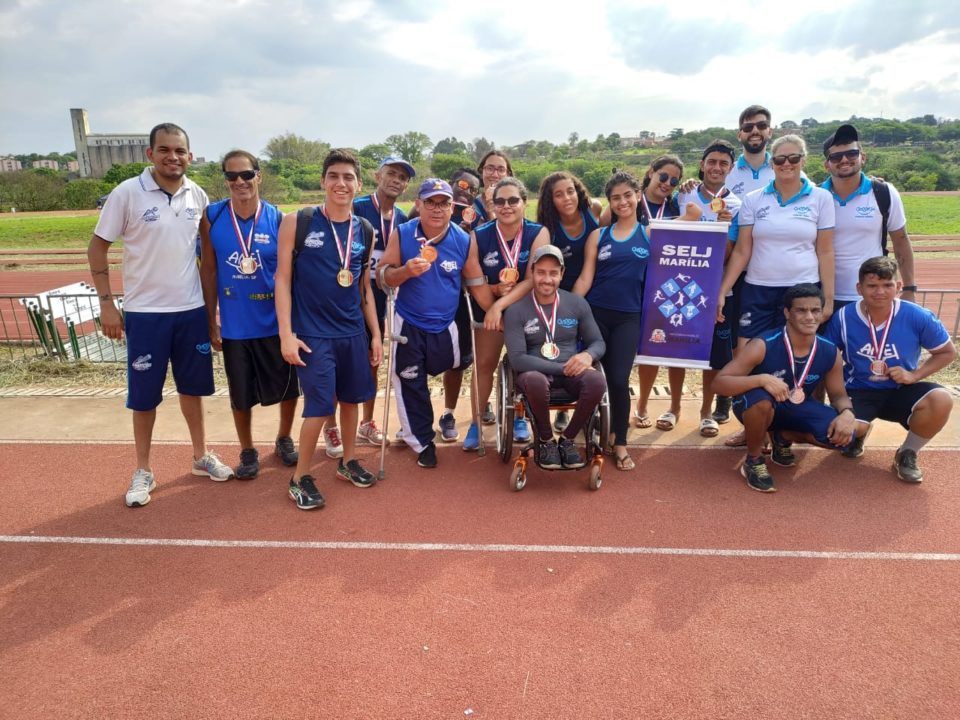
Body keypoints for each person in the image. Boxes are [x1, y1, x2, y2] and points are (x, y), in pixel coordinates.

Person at [87, 122, 233, 507]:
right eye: (165, 150)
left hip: (190, 312)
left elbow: (206, 260)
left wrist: (210, 313)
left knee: (193, 390)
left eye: (180, 151)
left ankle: (201, 455)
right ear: (150, 154)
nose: (173, 157)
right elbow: (97, 248)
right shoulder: (127, 193)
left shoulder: (197, 194)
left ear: (190, 154)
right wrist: (106, 304)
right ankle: (143, 469)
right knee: (144, 397)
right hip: (145, 314)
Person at [275, 149, 382, 510]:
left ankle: (348, 461)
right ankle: (299, 476)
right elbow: (282, 280)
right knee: (319, 408)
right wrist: (286, 335)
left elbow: (364, 288)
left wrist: (376, 335)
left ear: (359, 184)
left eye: (348, 177)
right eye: (334, 176)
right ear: (323, 181)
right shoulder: (298, 221)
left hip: (352, 333)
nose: (341, 183)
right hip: (314, 335)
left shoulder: (364, 230)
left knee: (352, 400)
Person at [377, 178, 495, 468]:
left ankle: (448, 414)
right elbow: (383, 277)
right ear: (419, 204)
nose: (437, 209)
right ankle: (422, 440)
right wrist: (404, 271)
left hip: (447, 324)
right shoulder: (402, 233)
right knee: (409, 381)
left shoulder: (463, 239)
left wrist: (497, 311)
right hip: (408, 322)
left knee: (459, 366)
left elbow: (476, 282)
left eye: (443, 203)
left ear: (452, 207)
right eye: (430, 202)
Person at [199, 149, 299, 479]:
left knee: (288, 388)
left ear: (259, 175)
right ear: (225, 180)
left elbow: (289, 274)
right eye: (231, 176)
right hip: (235, 326)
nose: (239, 182)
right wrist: (210, 318)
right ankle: (247, 449)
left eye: (246, 174)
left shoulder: (279, 219)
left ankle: (284, 438)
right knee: (240, 395)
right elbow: (209, 270)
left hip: (274, 322)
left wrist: (292, 325)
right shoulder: (211, 216)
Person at [713, 284, 862, 492]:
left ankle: (783, 436)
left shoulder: (829, 350)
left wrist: (847, 413)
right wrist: (761, 379)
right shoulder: (762, 344)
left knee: (845, 437)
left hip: (795, 406)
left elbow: (838, 394)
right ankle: (754, 459)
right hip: (756, 405)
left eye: (815, 310)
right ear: (787, 313)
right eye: (801, 310)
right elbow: (719, 383)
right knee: (762, 400)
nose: (809, 317)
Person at [824, 256, 956, 483]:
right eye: (872, 286)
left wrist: (914, 375)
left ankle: (908, 453)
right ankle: (859, 432)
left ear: (898, 286)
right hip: (858, 390)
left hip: (901, 389)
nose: (880, 292)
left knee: (941, 399)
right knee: (835, 434)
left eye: (887, 285)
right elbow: (827, 359)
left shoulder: (917, 315)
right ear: (859, 288)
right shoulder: (844, 318)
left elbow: (947, 352)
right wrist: (838, 401)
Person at [717, 134, 836, 346]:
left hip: (803, 290)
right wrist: (723, 291)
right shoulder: (753, 199)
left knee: (795, 355)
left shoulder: (821, 198)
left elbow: (825, 251)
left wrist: (828, 299)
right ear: (772, 164)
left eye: (794, 158)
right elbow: (743, 251)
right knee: (746, 354)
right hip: (758, 289)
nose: (787, 164)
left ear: (803, 160)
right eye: (780, 160)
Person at [573, 171, 651, 470]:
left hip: (629, 317)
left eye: (627, 195)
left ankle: (619, 443)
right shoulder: (599, 235)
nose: (622, 202)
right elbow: (585, 278)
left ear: (638, 196)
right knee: (589, 379)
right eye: (616, 198)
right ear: (610, 202)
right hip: (595, 314)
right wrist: (568, 310)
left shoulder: (651, 234)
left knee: (618, 381)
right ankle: (590, 432)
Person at [502, 245, 606, 468]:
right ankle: (546, 439)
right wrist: (563, 369)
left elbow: (598, 342)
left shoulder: (576, 304)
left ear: (562, 274)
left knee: (597, 380)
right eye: (541, 272)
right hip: (535, 373)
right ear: (532, 272)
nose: (546, 279)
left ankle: (568, 439)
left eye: (553, 273)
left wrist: (588, 355)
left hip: (571, 374)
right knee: (535, 380)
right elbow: (518, 358)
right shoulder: (516, 310)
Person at [465, 177, 550, 451]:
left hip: (525, 311)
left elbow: (531, 279)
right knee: (484, 364)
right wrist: (492, 307)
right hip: (488, 307)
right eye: (499, 201)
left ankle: (521, 418)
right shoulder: (479, 234)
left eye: (513, 200)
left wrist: (500, 307)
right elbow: (474, 278)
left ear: (524, 203)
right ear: (492, 204)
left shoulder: (539, 233)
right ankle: (476, 422)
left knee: (524, 365)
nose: (506, 206)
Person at [675, 140, 743, 437]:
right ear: (702, 164)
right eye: (711, 161)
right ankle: (674, 408)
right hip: (680, 287)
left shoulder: (737, 205)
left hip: (717, 290)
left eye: (723, 164)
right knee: (676, 348)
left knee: (714, 356)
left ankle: (706, 411)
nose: (716, 168)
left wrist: (724, 228)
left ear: (730, 169)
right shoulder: (685, 193)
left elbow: (728, 254)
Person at [352, 155, 415, 446]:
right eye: (391, 174)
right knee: (344, 360)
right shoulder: (357, 207)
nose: (396, 180)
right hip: (350, 296)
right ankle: (333, 424)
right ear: (378, 176)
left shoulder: (403, 220)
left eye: (402, 177)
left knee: (373, 360)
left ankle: (367, 422)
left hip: (383, 298)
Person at [821, 124, 917, 310]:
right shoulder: (816, 196)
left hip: (871, 295)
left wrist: (910, 288)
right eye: (836, 156)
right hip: (825, 297)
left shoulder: (884, 192)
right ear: (827, 164)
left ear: (862, 158)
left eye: (852, 154)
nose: (844, 160)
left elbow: (900, 240)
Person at [535, 170, 601, 433]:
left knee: (590, 348)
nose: (566, 198)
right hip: (562, 293)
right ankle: (562, 407)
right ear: (551, 201)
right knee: (564, 346)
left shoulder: (593, 209)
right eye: (559, 195)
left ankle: (591, 407)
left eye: (570, 191)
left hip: (593, 286)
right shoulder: (548, 228)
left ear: (579, 191)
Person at [627, 156, 688, 434]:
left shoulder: (677, 204)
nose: (667, 184)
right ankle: (640, 405)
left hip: (670, 286)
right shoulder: (630, 201)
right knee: (645, 351)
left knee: (673, 348)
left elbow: (697, 220)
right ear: (650, 172)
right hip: (635, 285)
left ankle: (674, 407)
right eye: (663, 177)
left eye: (674, 181)